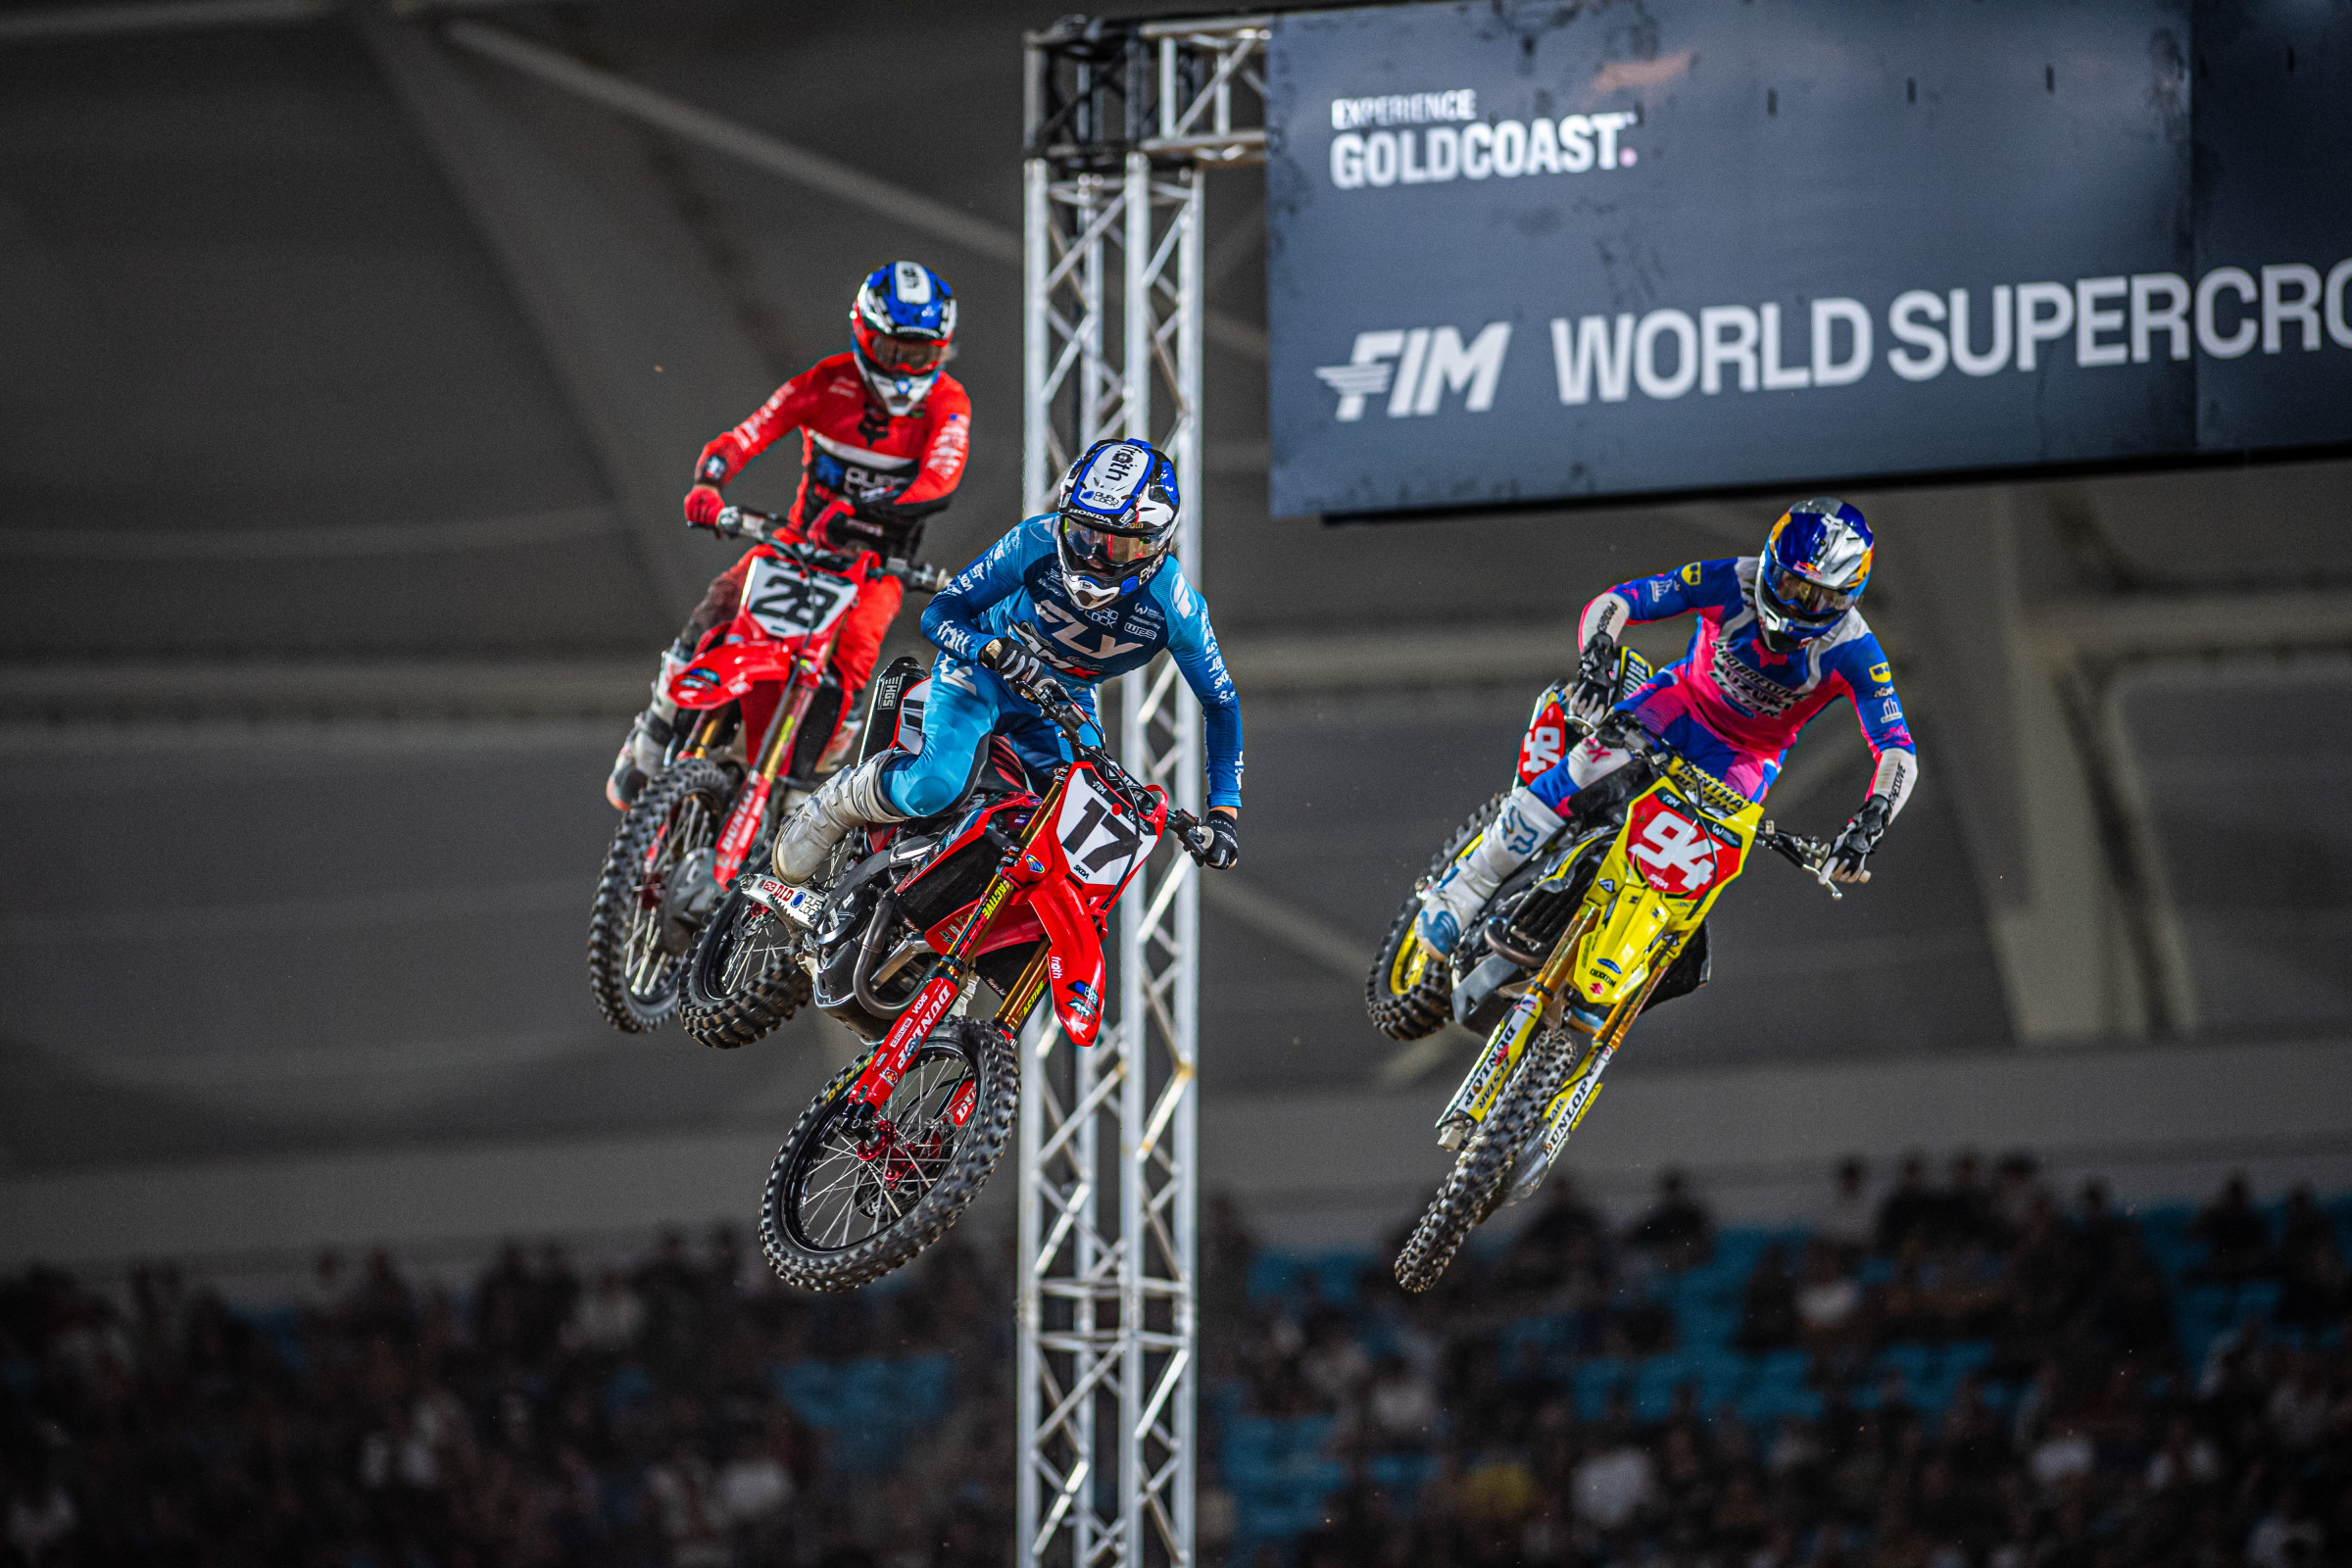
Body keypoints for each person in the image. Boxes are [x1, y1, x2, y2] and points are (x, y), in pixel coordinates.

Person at [1415, 497, 1919, 956]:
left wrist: (1869, 823)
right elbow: (1620, 601)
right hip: (1678, 704)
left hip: (1744, 760)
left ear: (1848, 598)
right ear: (1769, 564)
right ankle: (1464, 892)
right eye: (1790, 584)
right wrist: (1596, 659)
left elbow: (1896, 749)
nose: (1796, 605)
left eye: (1817, 599)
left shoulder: (1857, 652)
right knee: (1589, 767)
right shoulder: (1728, 580)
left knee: (1698, 870)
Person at [771, 436, 1242, 880]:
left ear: (1157, 543)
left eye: (1116, 545)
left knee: (1074, 856)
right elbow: (941, 612)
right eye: (1081, 534)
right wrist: (987, 648)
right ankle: (838, 802)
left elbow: (1221, 703)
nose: (1094, 558)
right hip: (984, 669)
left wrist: (1224, 814)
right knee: (936, 784)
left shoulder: (1177, 607)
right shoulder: (1034, 541)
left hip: (1062, 702)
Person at [607, 261, 972, 808]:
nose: (905, 369)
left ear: (940, 349)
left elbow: (939, 481)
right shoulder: (827, 382)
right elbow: (748, 434)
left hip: (877, 565)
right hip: (798, 544)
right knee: (720, 604)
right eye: (893, 351)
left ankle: (807, 784)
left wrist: (858, 510)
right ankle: (655, 730)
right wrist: (709, 484)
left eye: (920, 355)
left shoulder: (948, 403)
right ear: (865, 337)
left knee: (856, 652)